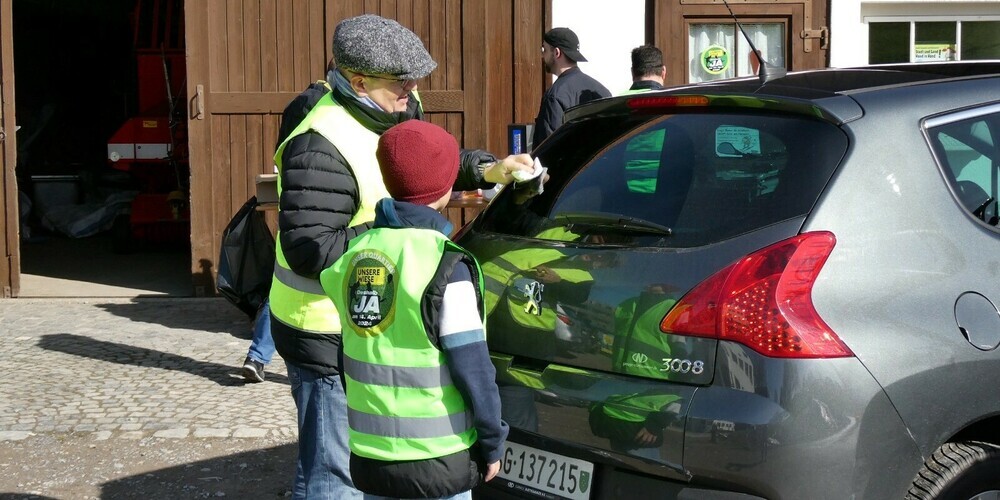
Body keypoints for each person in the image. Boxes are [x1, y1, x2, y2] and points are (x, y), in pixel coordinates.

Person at [268, 14, 533, 499]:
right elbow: (310, 249)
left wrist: (491, 169)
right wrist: (396, 227)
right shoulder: (319, 143)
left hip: (374, 329)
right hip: (325, 332)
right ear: (358, 80)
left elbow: (423, 163)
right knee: (334, 476)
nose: (412, 95)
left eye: (415, 83)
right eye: (401, 84)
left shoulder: (391, 106)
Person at [320, 119, 508, 499]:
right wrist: (493, 440)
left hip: (372, 458)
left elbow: (349, 356)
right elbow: (473, 369)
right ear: (447, 187)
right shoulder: (446, 266)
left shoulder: (353, 257)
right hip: (440, 461)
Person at [242, 76, 335, 383]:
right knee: (302, 281)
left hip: (293, 201)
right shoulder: (323, 107)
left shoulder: (299, 102)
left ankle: (257, 356)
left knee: (284, 283)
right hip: (319, 206)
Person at [533, 27, 611, 147]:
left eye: (544, 49)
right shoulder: (601, 90)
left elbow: (550, 147)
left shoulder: (555, 95)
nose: (542, 55)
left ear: (557, 53)